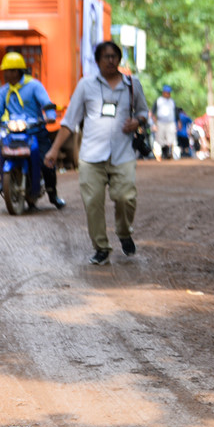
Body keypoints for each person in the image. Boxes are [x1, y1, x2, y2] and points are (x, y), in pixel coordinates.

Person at [44, 41, 150, 265]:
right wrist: (54, 150)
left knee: (125, 198)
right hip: (91, 156)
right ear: (98, 60)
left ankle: (123, 231)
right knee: (92, 202)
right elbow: (69, 121)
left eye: (114, 56)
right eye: (106, 57)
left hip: (123, 154)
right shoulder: (86, 85)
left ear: (119, 59)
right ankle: (101, 247)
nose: (111, 60)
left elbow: (143, 112)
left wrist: (137, 121)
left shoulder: (132, 85)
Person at [0, 52, 66, 209]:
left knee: (47, 161)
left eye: (9, 70)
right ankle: (2, 179)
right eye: (5, 71)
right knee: (0, 149)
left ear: (18, 71)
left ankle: (53, 194)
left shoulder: (34, 85)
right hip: (13, 133)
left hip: (36, 132)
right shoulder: (4, 91)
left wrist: (50, 116)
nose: (6, 74)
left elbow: (46, 103)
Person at [151, 85, 177, 160]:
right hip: (160, 122)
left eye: (169, 93)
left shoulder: (172, 101)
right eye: (166, 92)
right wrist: (154, 122)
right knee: (161, 138)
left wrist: (178, 121)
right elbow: (153, 111)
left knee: (170, 138)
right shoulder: (159, 100)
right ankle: (163, 153)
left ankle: (169, 153)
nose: (167, 94)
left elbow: (175, 112)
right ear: (163, 93)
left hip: (170, 123)